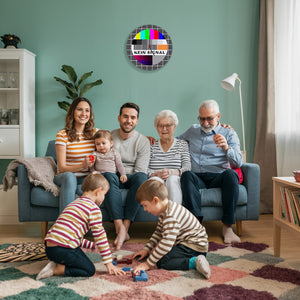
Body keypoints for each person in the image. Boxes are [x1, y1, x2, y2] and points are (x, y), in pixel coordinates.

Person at [36, 172, 125, 280]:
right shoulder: (93, 209)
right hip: (62, 249)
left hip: (50, 249)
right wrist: (109, 263)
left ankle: (58, 261)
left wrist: (92, 245)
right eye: (104, 194)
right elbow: (100, 236)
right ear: (98, 191)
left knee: (74, 250)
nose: (104, 198)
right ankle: (56, 269)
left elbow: (71, 235)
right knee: (88, 269)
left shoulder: (74, 203)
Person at [179, 99, 243, 244]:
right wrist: (152, 141)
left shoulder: (229, 133)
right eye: (202, 119)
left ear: (218, 116)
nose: (206, 123)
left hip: (219, 176)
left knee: (231, 175)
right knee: (187, 175)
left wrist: (227, 148)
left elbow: (238, 162)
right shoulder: (192, 130)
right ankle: (195, 227)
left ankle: (227, 228)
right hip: (197, 177)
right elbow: (174, 142)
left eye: (210, 118)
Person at [132, 179, 210, 279]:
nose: (145, 209)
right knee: (159, 256)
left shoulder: (170, 216)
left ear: (155, 200)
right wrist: (147, 250)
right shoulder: (165, 211)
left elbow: (166, 244)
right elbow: (158, 233)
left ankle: (194, 262)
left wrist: (147, 264)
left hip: (194, 246)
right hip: (190, 244)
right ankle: (193, 258)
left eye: (145, 205)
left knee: (162, 262)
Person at [104, 102, 150, 250]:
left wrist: (125, 175)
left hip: (132, 176)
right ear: (119, 118)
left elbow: (140, 170)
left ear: (137, 120)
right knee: (109, 175)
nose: (128, 120)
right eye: (125, 116)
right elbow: (103, 160)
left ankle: (125, 227)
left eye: (132, 117)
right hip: (114, 176)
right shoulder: (109, 137)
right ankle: (120, 228)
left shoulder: (142, 141)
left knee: (142, 178)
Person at [54, 97, 99, 213]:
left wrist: (143, 138)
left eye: (87, 110)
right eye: (80, 109)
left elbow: (114, 140)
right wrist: (82, 165)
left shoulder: (95, 134)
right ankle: (65, 224)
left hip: (85, 179)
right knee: (70, 176)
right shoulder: (62, 135)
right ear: (72, 112)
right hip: (65, 177)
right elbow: (62, 167)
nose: (84, 113)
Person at [148, 109, 191, 204]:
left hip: (175, 180)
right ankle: (160, 215)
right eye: (160, 126)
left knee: (172, 179)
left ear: (174, 127)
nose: (164, 129)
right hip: (155, 179)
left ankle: (174, 215)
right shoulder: (150, 145)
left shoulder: (182, 144)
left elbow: (187, 167)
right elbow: (144, 168)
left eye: (168, 125)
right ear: (156, 127)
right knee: (155, 181)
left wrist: (173, 172)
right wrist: (156, 174)